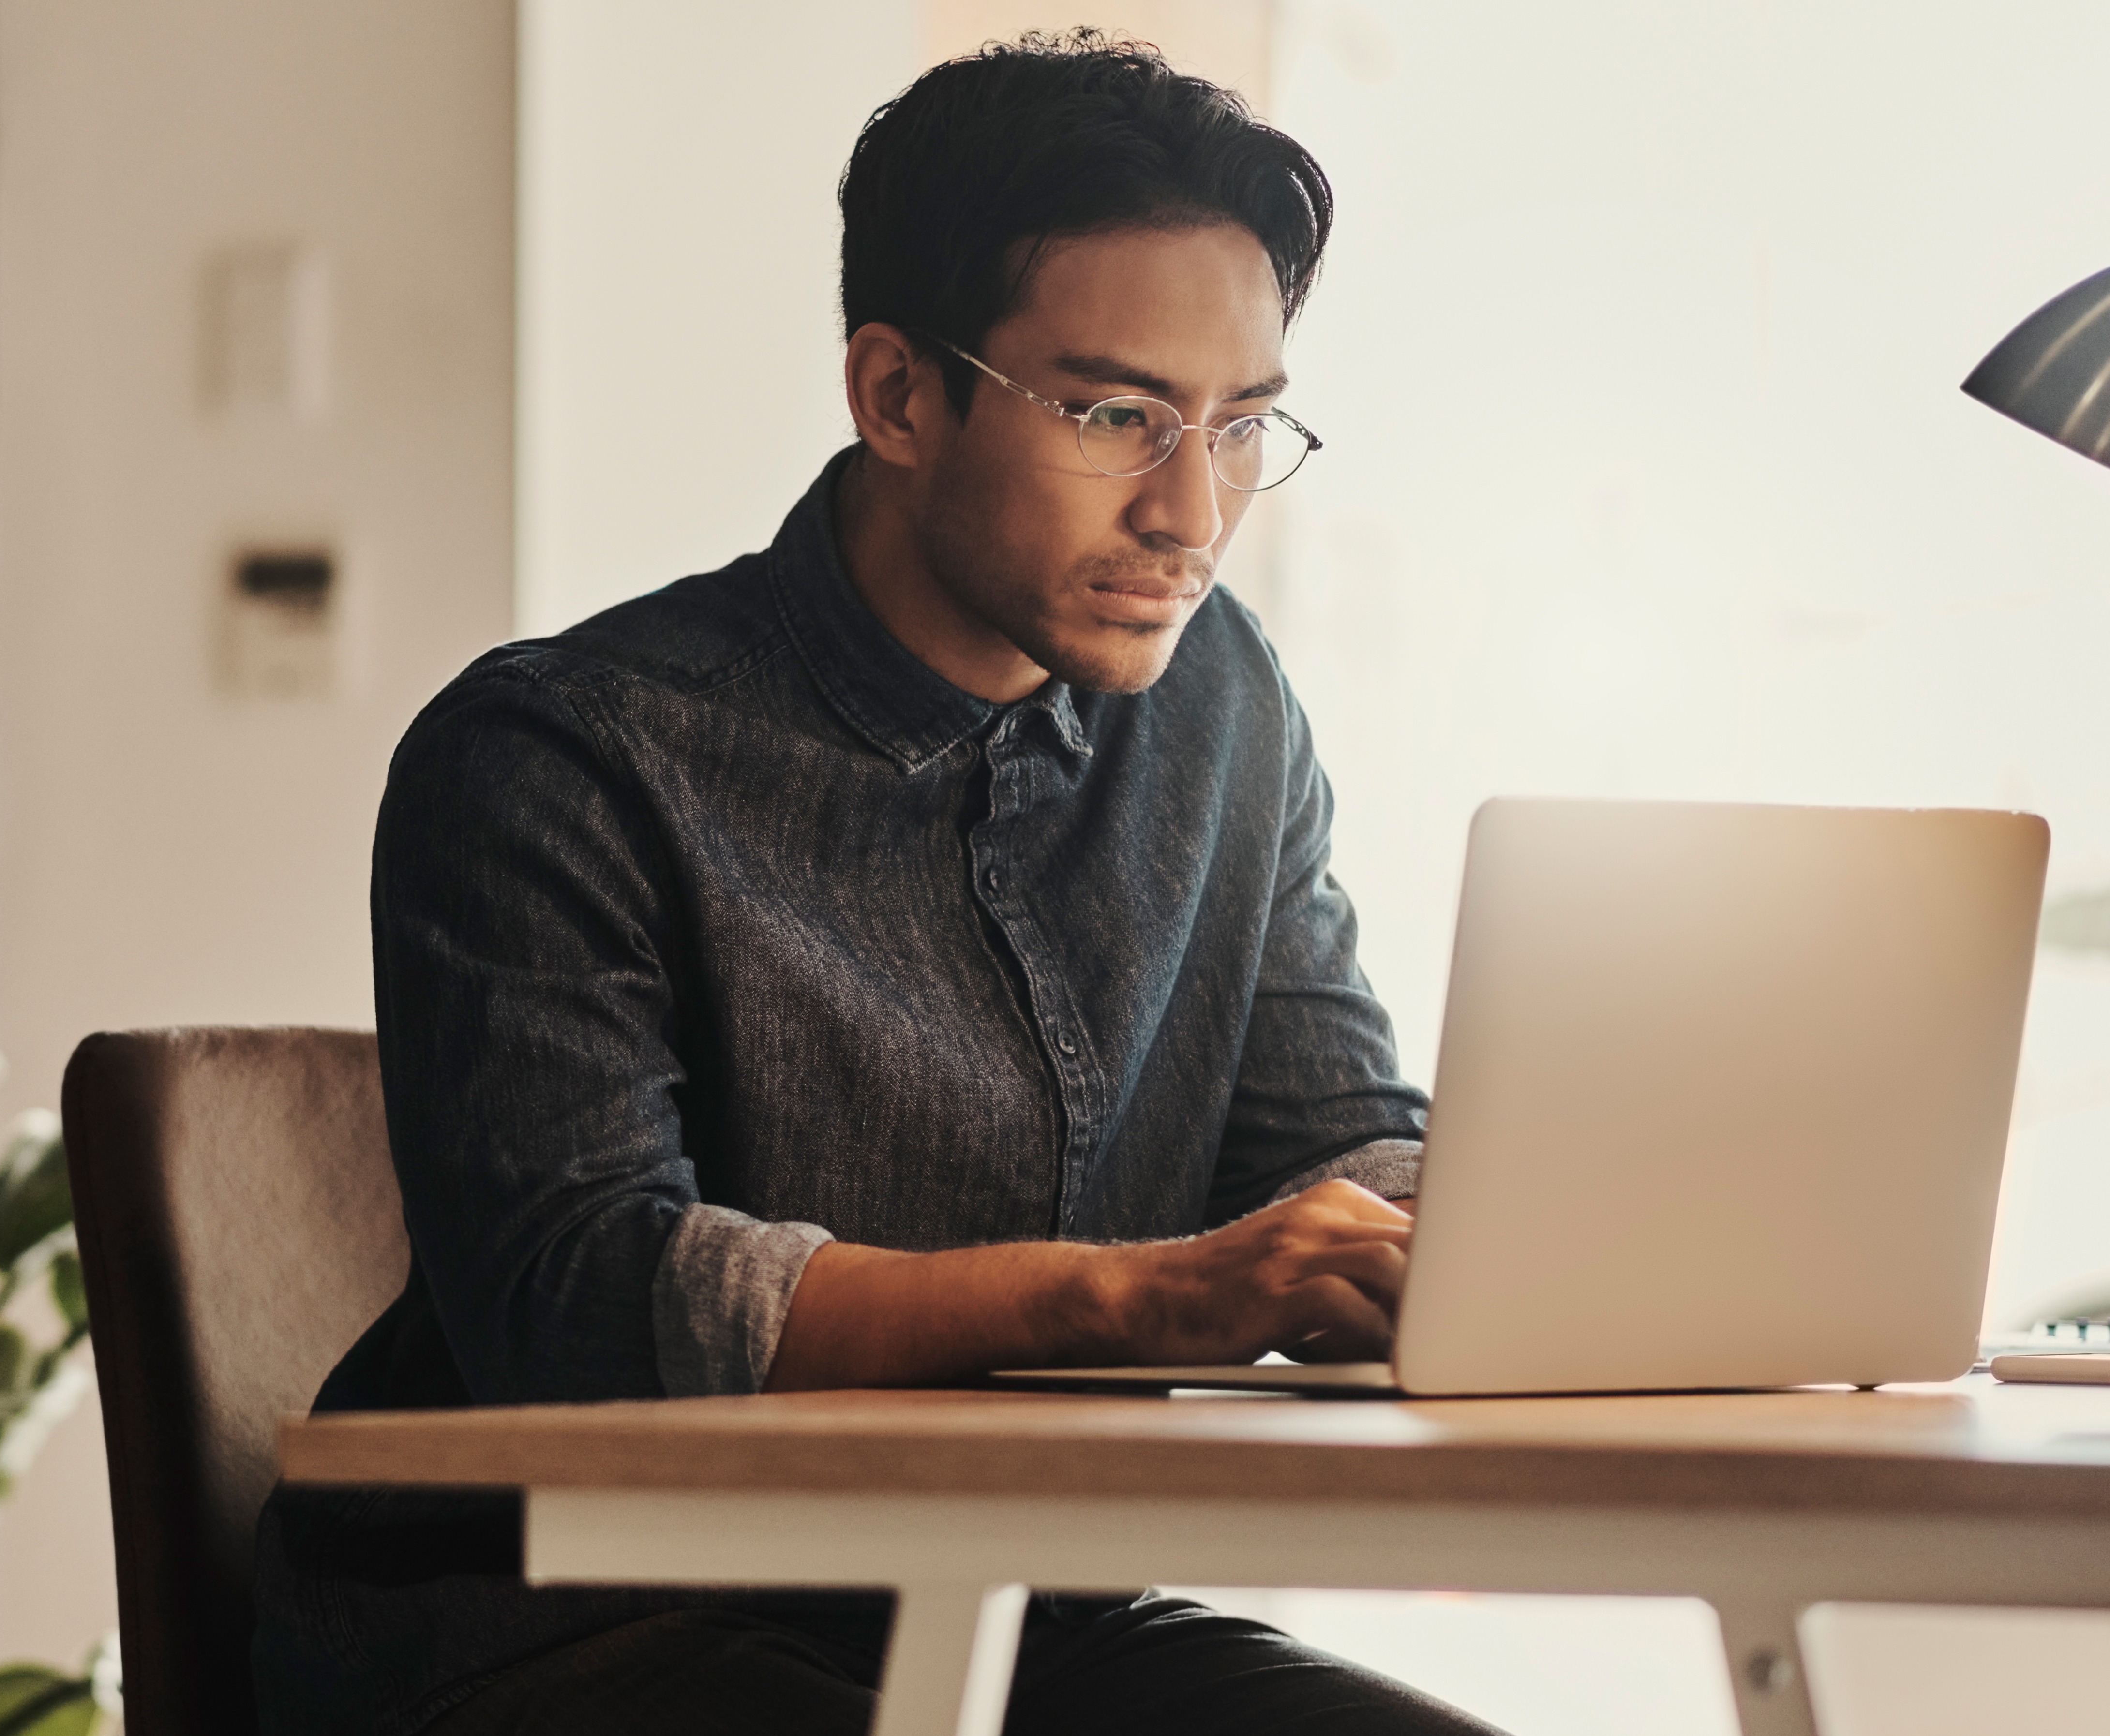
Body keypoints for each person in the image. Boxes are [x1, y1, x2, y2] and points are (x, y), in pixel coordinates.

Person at [254, 31, 1501, 1736]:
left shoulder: (1224, 710)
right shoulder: (563, 753)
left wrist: (1524, 1235)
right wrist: (1150, 1293)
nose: (1193, 511)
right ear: (898, 394)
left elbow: (1323, 1135)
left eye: (1242, 425)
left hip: (1012, 1611)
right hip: (560, 1635)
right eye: (1119, 415)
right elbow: (588, 1303)